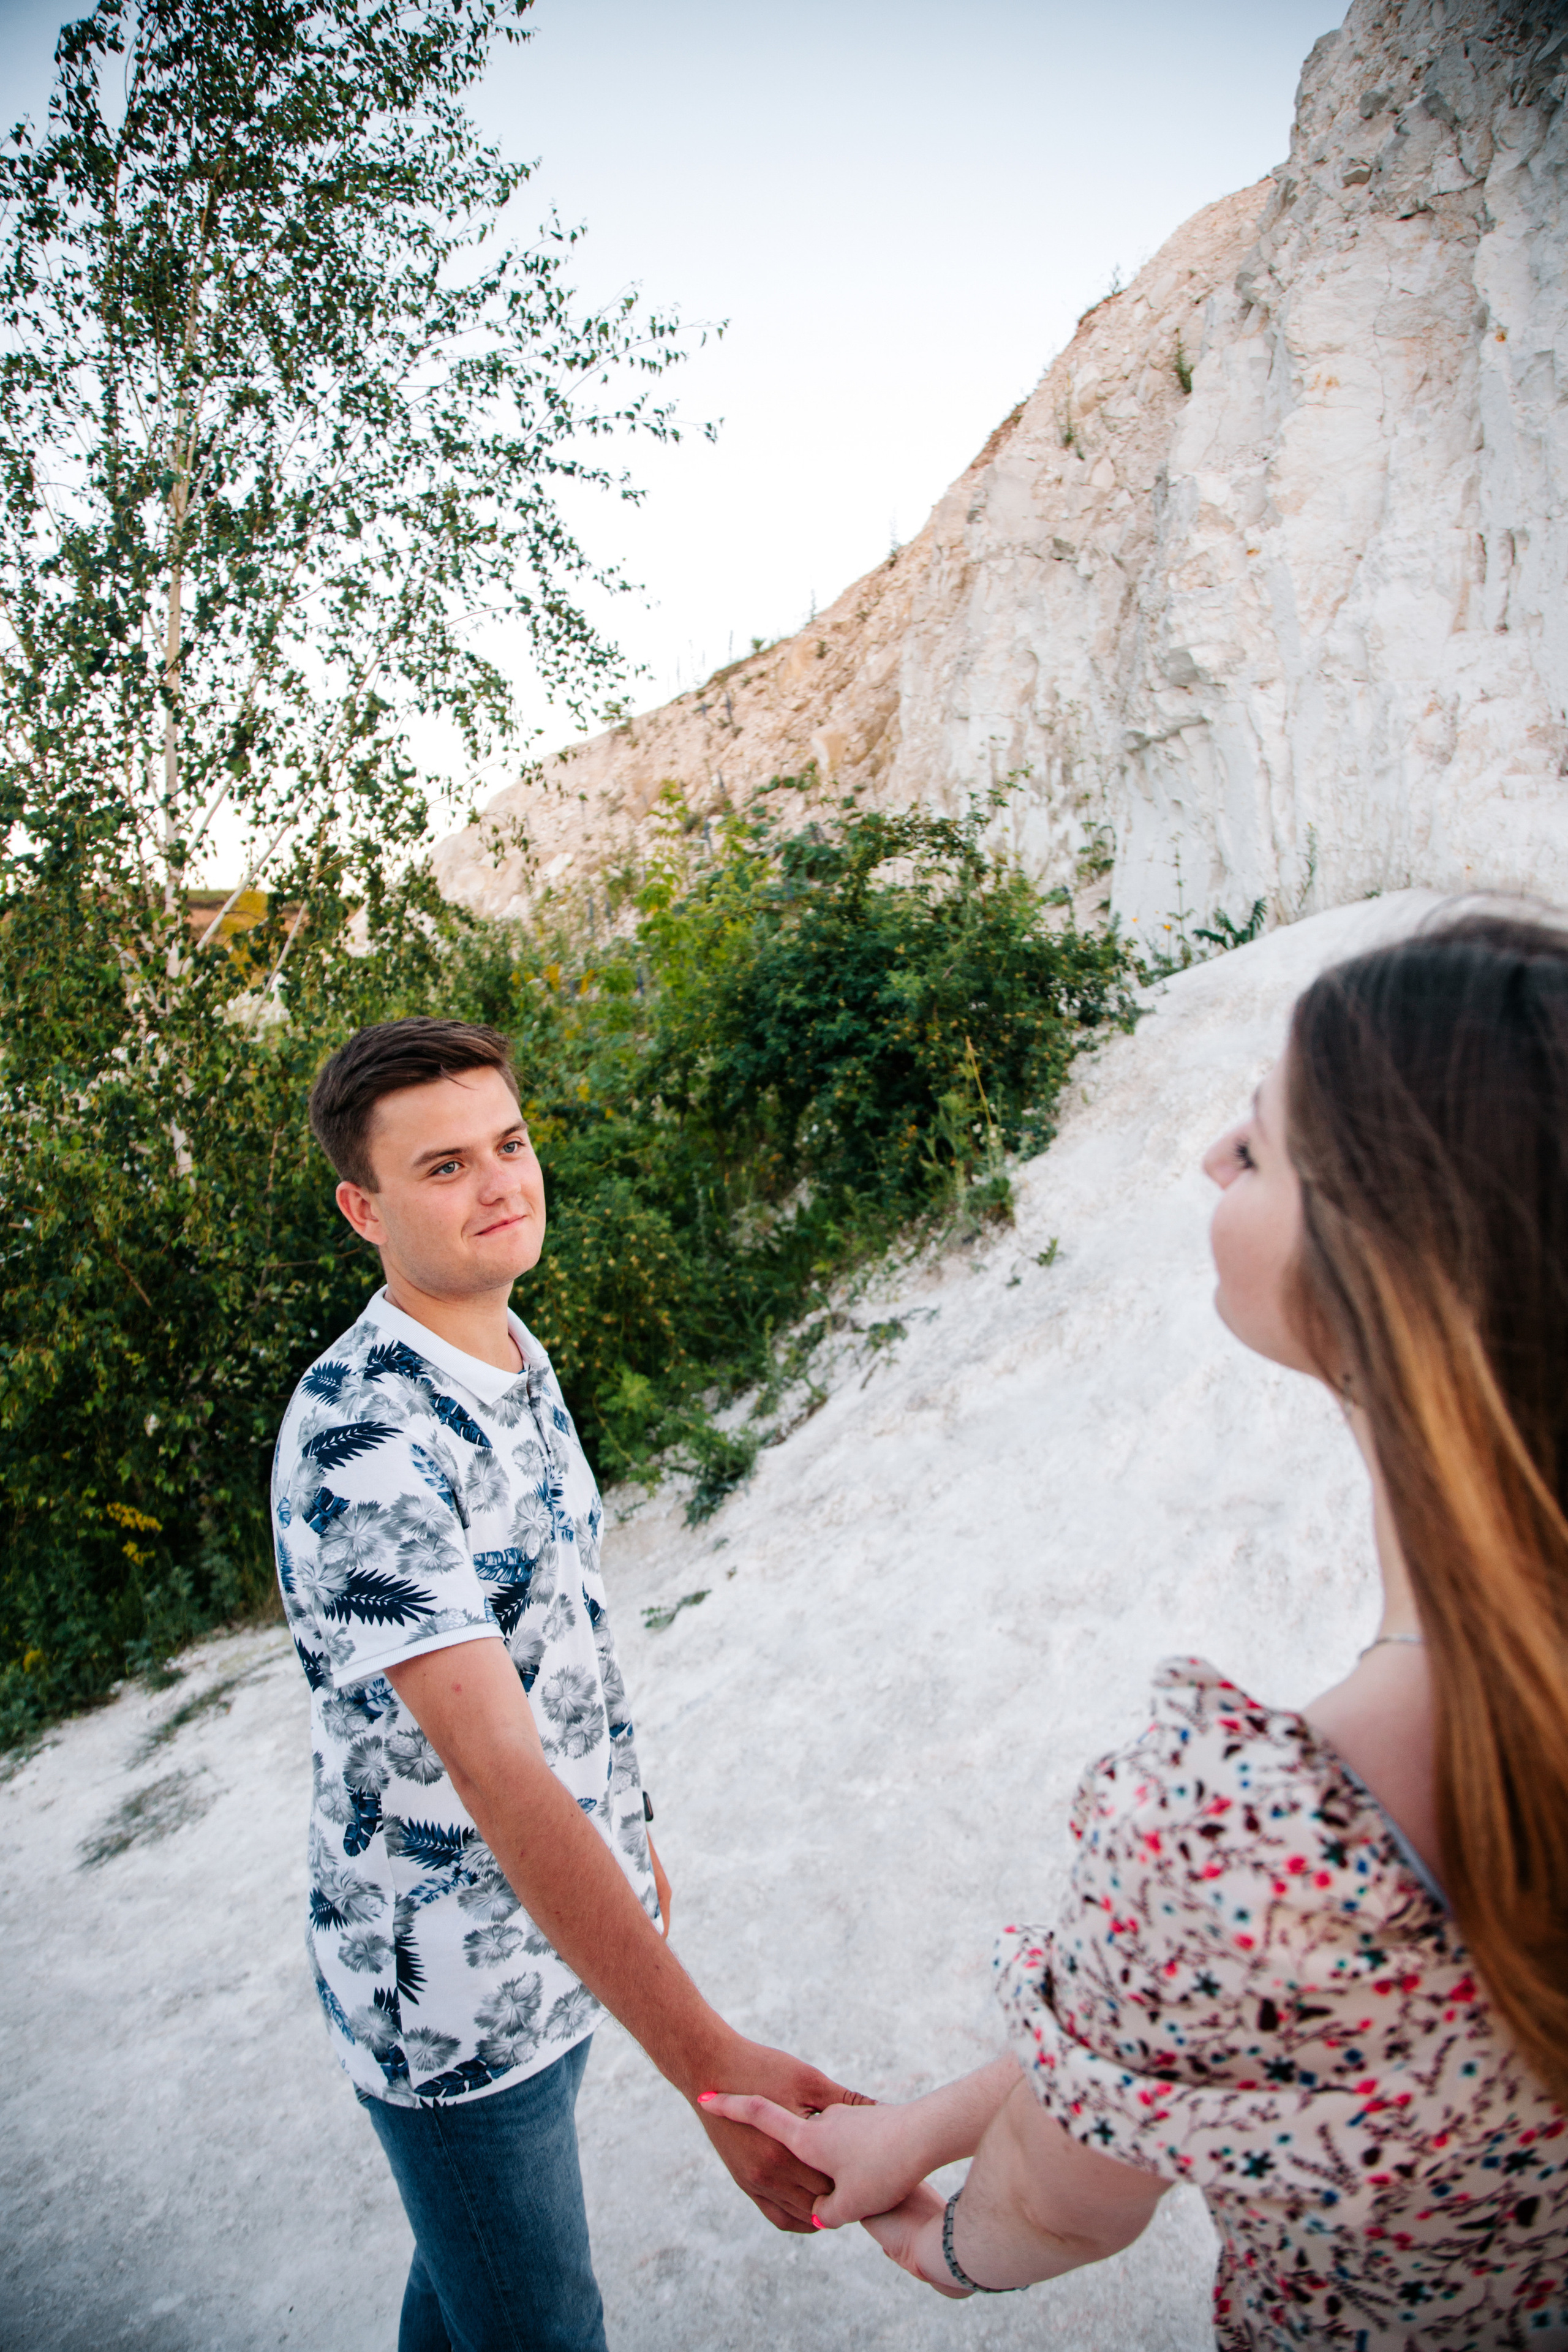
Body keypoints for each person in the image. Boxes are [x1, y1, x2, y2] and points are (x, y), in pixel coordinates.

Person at [705, 911, 1568, 2348]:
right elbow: (1188, 2023)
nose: (1211, 1160)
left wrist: (952, 2251)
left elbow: (1066, 2198)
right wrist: (929, 2118)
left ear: (1387, 1270)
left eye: (1263, 1142)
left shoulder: (1263, 1839)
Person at [273, 1017, 856, 2352]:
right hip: (451, 1991)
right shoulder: (364, 1437)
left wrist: (628, 1823)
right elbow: (490, 1767)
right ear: (361, 1208)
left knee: (467, 2282)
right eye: (443, 1168)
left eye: (511, 1144)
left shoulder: (503, 1347)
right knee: (538, 2323)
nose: (500, 1184)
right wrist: (710, 2065)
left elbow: (560, 1638)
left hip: (561, 1927)